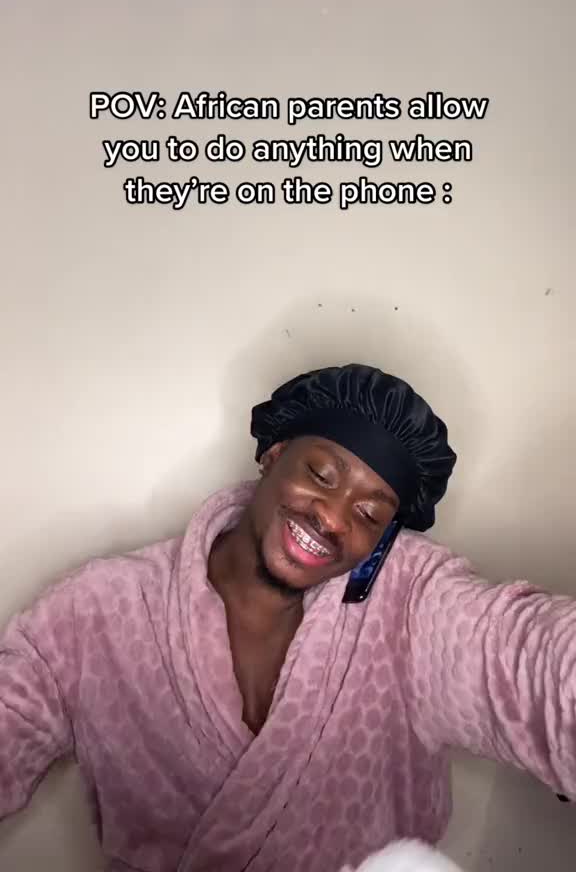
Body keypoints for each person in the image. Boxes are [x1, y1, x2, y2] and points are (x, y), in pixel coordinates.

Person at [0, 363, 574, 872]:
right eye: (321, 475)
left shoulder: (411, 605)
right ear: (273, 455)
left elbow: (525, 661)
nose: (334, 518)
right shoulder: (100, 610)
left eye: (369, 513)